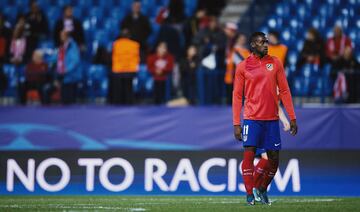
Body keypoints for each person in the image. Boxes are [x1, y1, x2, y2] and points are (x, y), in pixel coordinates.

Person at [232, 32, 297, 205]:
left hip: (271, 119)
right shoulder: (243, 66)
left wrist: (292, 117)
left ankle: (262, 188)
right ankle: (249, 194)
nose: (266, 45)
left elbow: (284, 91)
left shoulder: (275, 63)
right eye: (262, 42)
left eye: (266, 42)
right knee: (249, 154)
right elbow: (237, 96)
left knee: (274, 159)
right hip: (252, 118)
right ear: (253, 45)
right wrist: (236, 123)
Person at [109, 29, 140, 105]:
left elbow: (112, 56)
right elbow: (137, 57)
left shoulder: (116, 44)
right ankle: (129, 104)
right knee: (129, 89)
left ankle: (117, 104)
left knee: (118, 89)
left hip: (118, 70)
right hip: (130, 70)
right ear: (129, 36)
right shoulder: (135, 44)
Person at [55, 30, 81, 104]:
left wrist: (67, 70)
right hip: (64, 76)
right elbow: (58, 58)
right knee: (64, 101)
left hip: (71, 77)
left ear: (67, 36)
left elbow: (75, 61)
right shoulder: (63, 46)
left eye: (62, 35)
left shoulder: (73, 46)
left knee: (70, 102)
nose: (60, 37)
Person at [224, 33, 250, 105]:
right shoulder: (234, 50)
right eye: (241, 39)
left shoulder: (246, 50)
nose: (243, 40)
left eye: (244, 39)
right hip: (234, 77)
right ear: (237, 40)